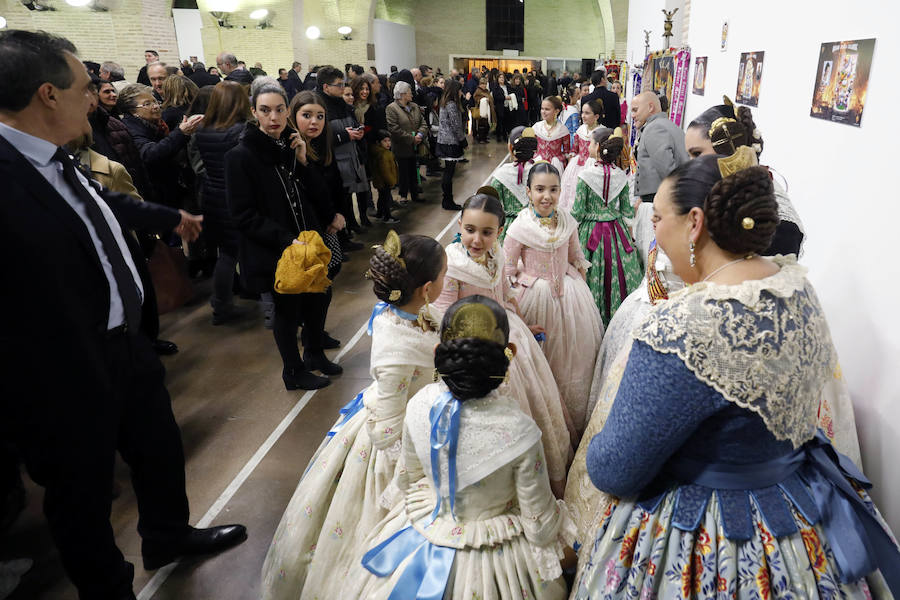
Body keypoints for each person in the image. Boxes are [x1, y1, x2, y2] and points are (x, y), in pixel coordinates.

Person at [572, 154, 900, 599]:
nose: (654, 235)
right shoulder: (797, 289)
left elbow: (616, 468)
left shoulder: (682, 324)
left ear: (694, 222)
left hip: (713, 538)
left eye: (658, 218)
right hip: (799, 517)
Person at [0, 30, 246, 599]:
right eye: (86, 88)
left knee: (158, 447)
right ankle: (107, 589)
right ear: (48, 95)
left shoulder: (55, 157)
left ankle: (168, 535)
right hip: (60, 369)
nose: (96, 98)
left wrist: (167, 214)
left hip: (123, 343)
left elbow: (100, 205)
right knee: (81, 491)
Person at [343, 295, 573, 600]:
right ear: (509, 355)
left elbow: (409, 480)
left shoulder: (419, 405)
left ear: (439, 352)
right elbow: (539, 524)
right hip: (500, 556)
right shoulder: (521, 430)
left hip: (426, 529)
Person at [261, 232, 445, 600]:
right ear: (426, 289)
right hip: (399, 439)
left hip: (417, 414)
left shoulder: (414, 312)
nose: (446, 282)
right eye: (444, 276)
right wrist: (409, 477)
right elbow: (388, 432)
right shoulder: (397, 348)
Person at [433, 193, 574, 497]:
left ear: (499, 230)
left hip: (511, 334)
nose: (477, 240)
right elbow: (445, 320)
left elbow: (506, 295)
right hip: (475, 353)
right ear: (460, 225)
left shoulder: (496, 255)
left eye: (486, 232)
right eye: (469, 230)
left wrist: (523, 322)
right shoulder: (453, 266)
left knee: (534, 401)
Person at [225, 81, 341, 390]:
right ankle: (293, 370)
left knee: (318, 299)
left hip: (307, 245)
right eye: (265, 110)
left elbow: (315, 194)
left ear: (287, 111)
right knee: (287, 313)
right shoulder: (241, 156)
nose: (273, 117)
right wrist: (285, 239)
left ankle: (315, 354)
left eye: (279, 110)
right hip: (275, 249)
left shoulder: (288, 147)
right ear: (254, 112)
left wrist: (302, 160)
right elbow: (243, 215)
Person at [503, 162, 603, 434]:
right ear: (528, 192)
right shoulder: (519, 227)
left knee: (574, 354)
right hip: (535, 296)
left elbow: (575, 257)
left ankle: (574, 418)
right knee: (544, 357)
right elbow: (508, 269)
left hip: (570, 297)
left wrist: (581, 286)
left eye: (553, 189)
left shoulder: (568, 221)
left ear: (560, 191)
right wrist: (525, 286)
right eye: (539, 189)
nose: (546, 196)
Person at [686, 101, 805, 257]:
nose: (691, 164)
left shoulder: (780, 223)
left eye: (697, 154)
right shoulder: (716, 189)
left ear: (729, 147)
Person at [287, 90, 347, 350]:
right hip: (307, 229)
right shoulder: (293, 150)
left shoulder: (323, 144)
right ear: (293, 116)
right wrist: (330, 216)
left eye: (319, 116)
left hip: (326, 223)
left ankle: (314, 329)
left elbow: (333, 185)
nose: (314, 122)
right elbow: (308, 193)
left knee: (328, 275)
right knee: (316, 286)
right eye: (306, 115)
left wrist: (337, 215)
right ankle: (311, 333)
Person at [192, 81, 253, 325]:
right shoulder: (239, 131)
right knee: (235, 253)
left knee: (226, 254)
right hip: (235, 198)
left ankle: (222, 303)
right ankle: (224, 304)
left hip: (213, 196)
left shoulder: (203, 129)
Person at [572, 127, 642, 325]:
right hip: (616, 231)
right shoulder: (621, 176)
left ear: (598, 147)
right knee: (619, 272)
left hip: (590, 233)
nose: (589, 146)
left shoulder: (585, 176)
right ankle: (619, 318)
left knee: (589, 273)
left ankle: (590, 321)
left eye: (592, 143)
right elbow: (628, 212)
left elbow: (577, 212)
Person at [117, 83, 203, 209]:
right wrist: (181, 133)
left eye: (155, 101)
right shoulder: (131, 128)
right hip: (156, 192)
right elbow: (150, 154)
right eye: (147, 104)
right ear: (132, 111)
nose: (156, 106)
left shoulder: (155, 124)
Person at [317, 66, 370, 239]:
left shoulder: (342, 103)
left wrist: (358, 132)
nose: (343, 88)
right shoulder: (319, 106)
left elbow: (351, 122)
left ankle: (348, 229)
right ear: (326, 87)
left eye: (343, 84)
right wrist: (344, 135)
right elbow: (319, 137)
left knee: (346, 197)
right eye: (339, 85)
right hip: (332, 162)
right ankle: (340, 239)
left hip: (350, 157)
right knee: (336, 201)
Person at [631, 90, 689, 204]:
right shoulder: (663, 124)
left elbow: (668, 170)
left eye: (635, 110)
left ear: (650, 107)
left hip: (659, 200)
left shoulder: (655, 129)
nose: (632, 115)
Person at [489, 125, 538, 241]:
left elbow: (493, 209)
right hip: (535, 227)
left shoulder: (500, 176)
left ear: (511, 148)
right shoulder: (541, 171)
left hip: (508, 231)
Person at [386, 80, 427, 204]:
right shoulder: (391, 108)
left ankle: (415, 194)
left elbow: (423, 123)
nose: (412, 95)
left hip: (416, 145)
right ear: (402, 94)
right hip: (402, 146)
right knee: (403, 172)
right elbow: (393, 128)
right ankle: (403, 195)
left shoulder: (414, 106)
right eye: (410, 92)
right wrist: (411, 139)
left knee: (414, 171)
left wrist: (420, 134)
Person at [559, 98, 603, 211]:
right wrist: (571, 160)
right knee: (572, 190)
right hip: (577, 165)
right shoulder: (581, 129)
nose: (583, 116)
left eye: (587, 113)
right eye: (582, 112)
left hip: (594, 165)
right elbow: (575, 148)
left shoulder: (601, 132)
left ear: (596, 116)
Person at [435, 78, 467, 210]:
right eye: (459, 90)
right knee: (449, 173)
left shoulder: (445, 102)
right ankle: (447, 200)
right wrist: (462, 140)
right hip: (450, 142)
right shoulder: (451, 104)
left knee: (448, 172)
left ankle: (447, 199)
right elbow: (456, 125)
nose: (461, 92)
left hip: (444, 140)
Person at [532, 95, 571, 173]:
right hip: (538, 162)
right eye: (542, 108)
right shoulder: (536, 127)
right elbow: (531, 147)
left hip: (556, 165)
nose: (543, 112)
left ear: (556, 111)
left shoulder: (563, 130)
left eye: (547, 109)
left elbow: (567, 152)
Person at [369, 129, 399, 223]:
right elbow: (385, 171)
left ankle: (380, 213)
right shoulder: (384, 154)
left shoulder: (378, 152)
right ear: (378, 142)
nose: (388, 143)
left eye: (389, 140)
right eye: (385, 141)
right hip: (385, 181)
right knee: (385, 199)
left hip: (380, 181)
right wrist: (392, 181)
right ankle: (387, 217)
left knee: (381, 197)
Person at [468, 76, 495, 145]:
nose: (484, 85)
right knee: (481, 125)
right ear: (479, 84)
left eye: (485, 84)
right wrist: (484, 100)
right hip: (481, 111)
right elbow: (476, 99)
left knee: (486, 125)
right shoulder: (478, 91)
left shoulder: (486, 91)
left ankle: (484, 137)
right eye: (482, 84)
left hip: (487, 110)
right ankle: (481, 138)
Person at [491, 71, 514, 142]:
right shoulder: (496, 87)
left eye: (503, 77)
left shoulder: (507, 86)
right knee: (499, 122)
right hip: (500, 106)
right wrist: (505, 98)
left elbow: (511, 93)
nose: (501, 79)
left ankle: (505, 135)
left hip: (507, 106)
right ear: (497, 79)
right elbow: (496, 97)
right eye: (500, 77)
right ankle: (498, 136)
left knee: (506, 122)